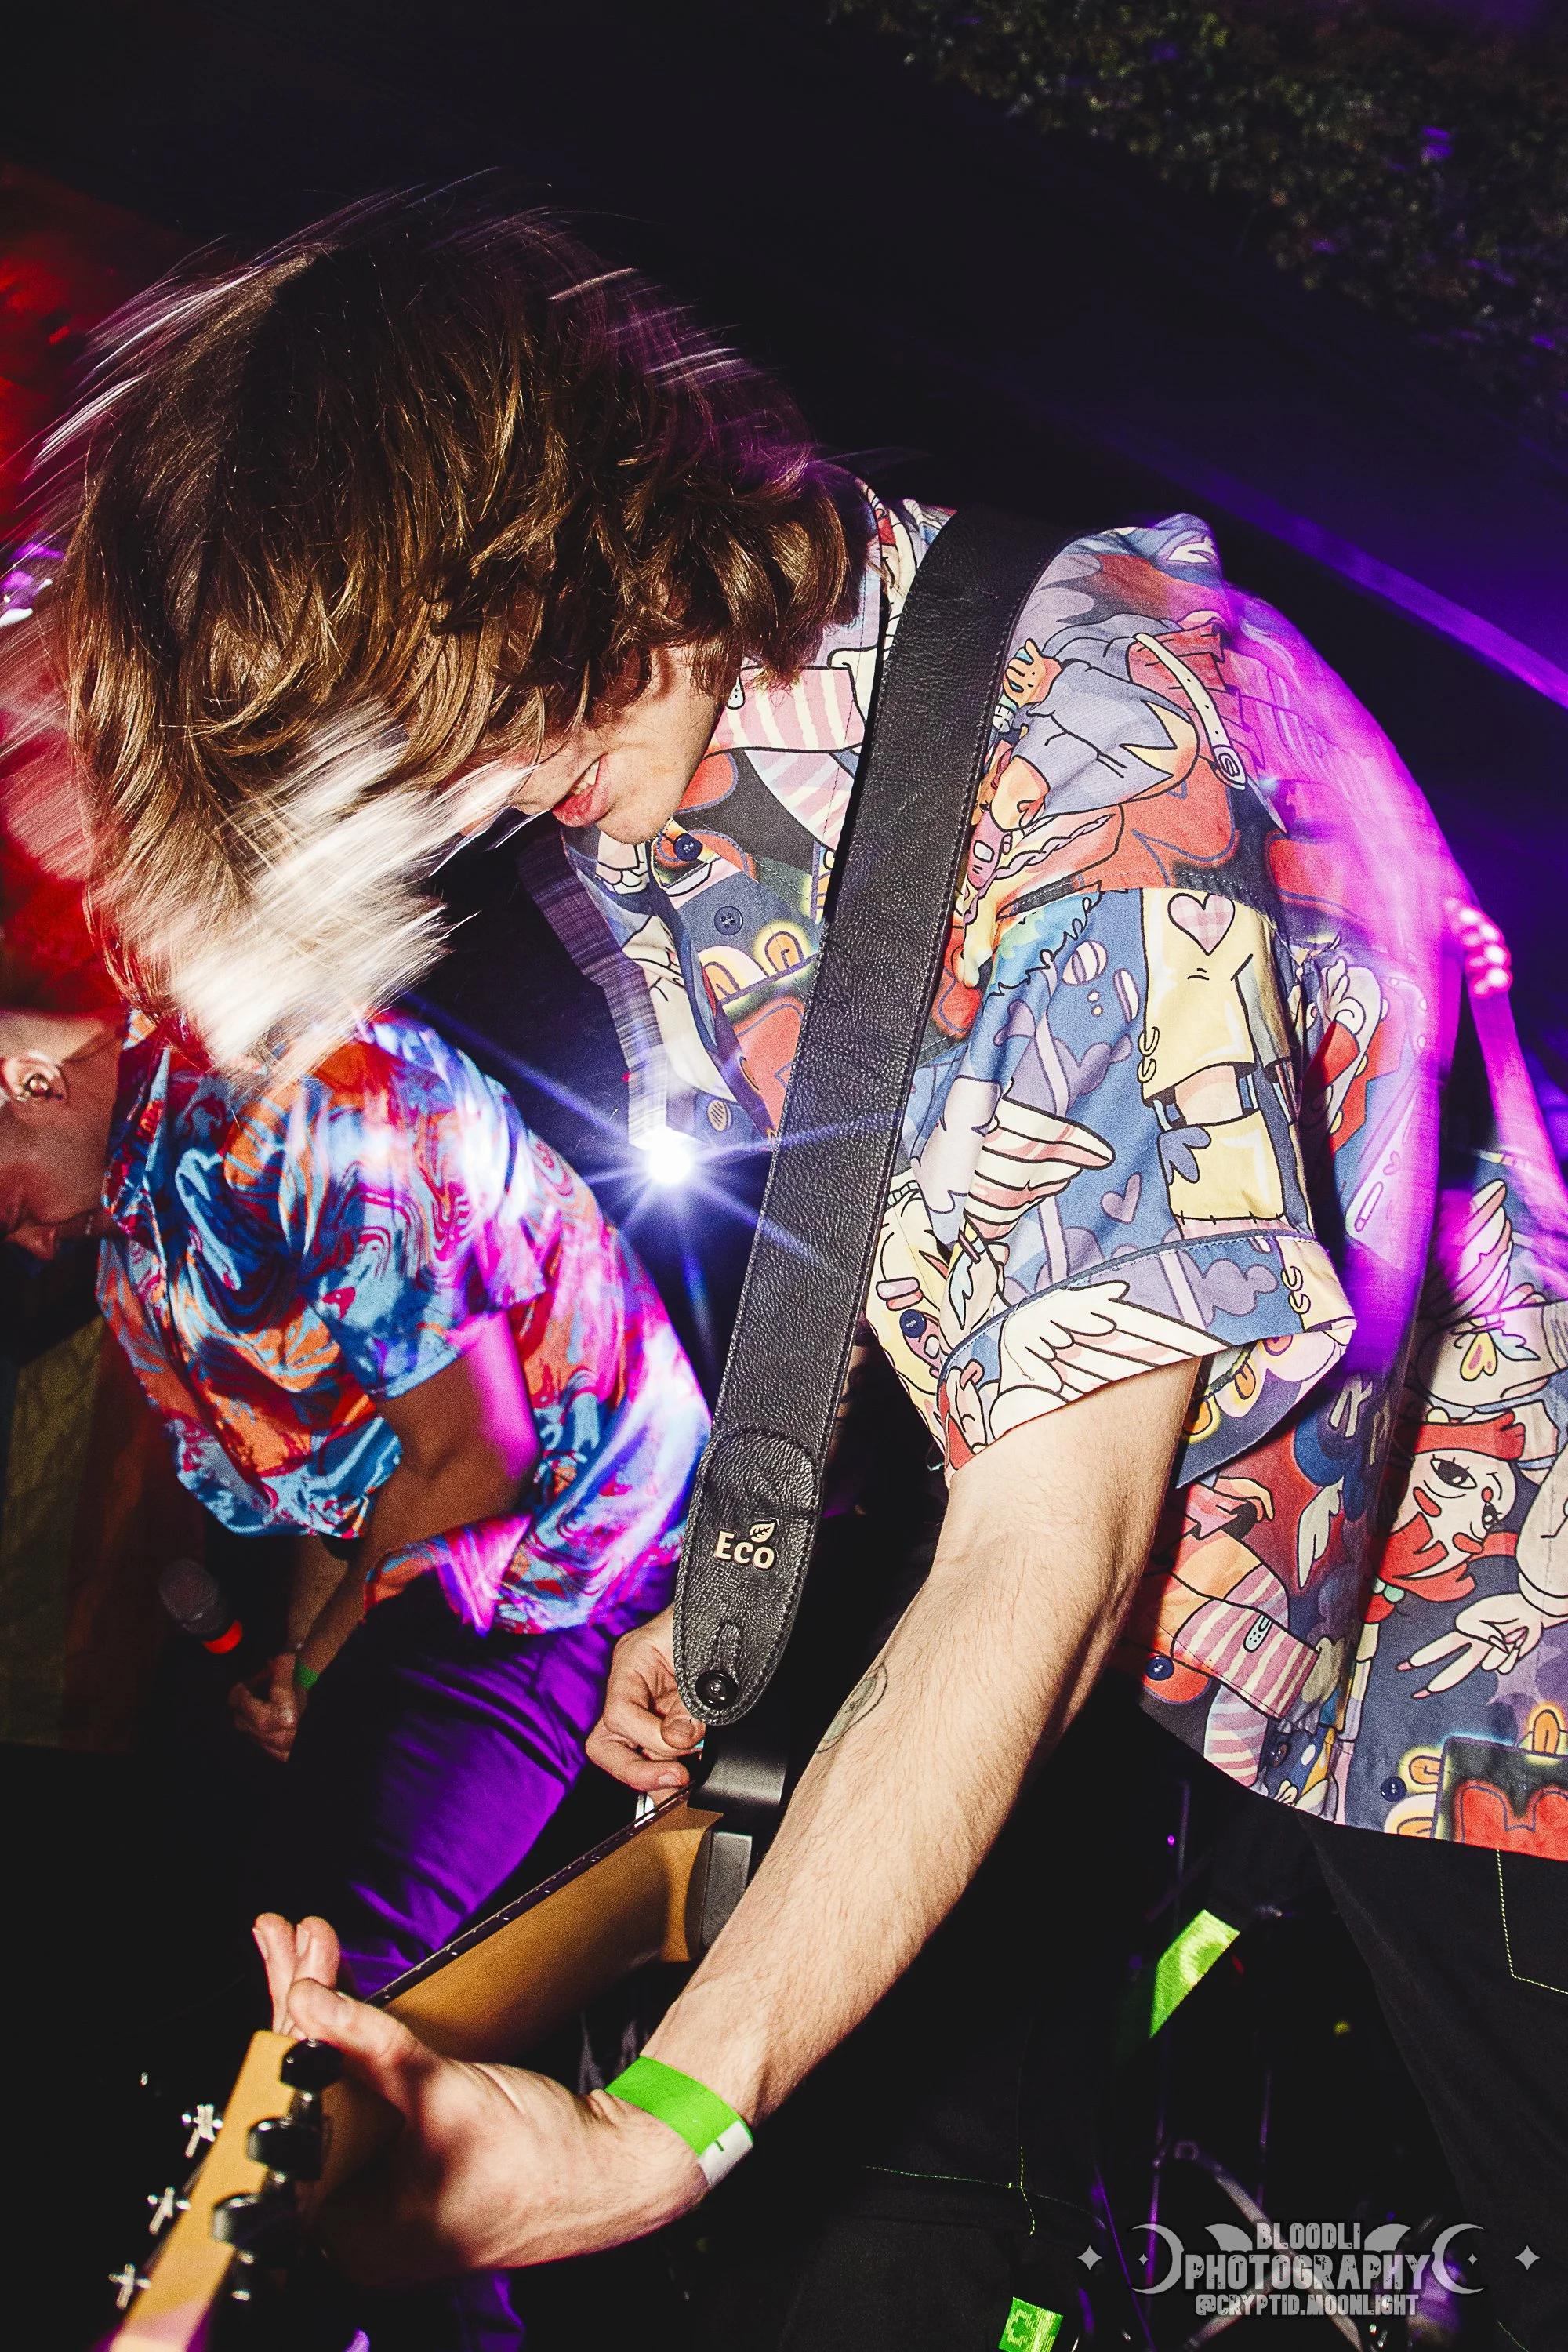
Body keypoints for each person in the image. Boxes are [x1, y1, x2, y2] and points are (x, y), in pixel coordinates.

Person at [16, 198, 1568, 2348]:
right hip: (1203, 1679)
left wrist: (659, 2125)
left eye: (469, 709)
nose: (488, 797)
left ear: (578, 520)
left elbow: (1054, 1552)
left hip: (1488, 1693)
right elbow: (887, 1235)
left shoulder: (1100, 765)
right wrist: (742, 1563)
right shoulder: (683, 779)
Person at [0, 996, 709, 2000]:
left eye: (11, 1208)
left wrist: (327, 1668)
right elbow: (349, 1483)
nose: (29, 1246)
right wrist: (300, 1664)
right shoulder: (134, 1239)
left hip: (567, 1563)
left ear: (33, 1084)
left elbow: (471, 1456)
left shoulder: (295, 1100)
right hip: (449, 1582)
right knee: (272, 1952)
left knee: (326, 1979)